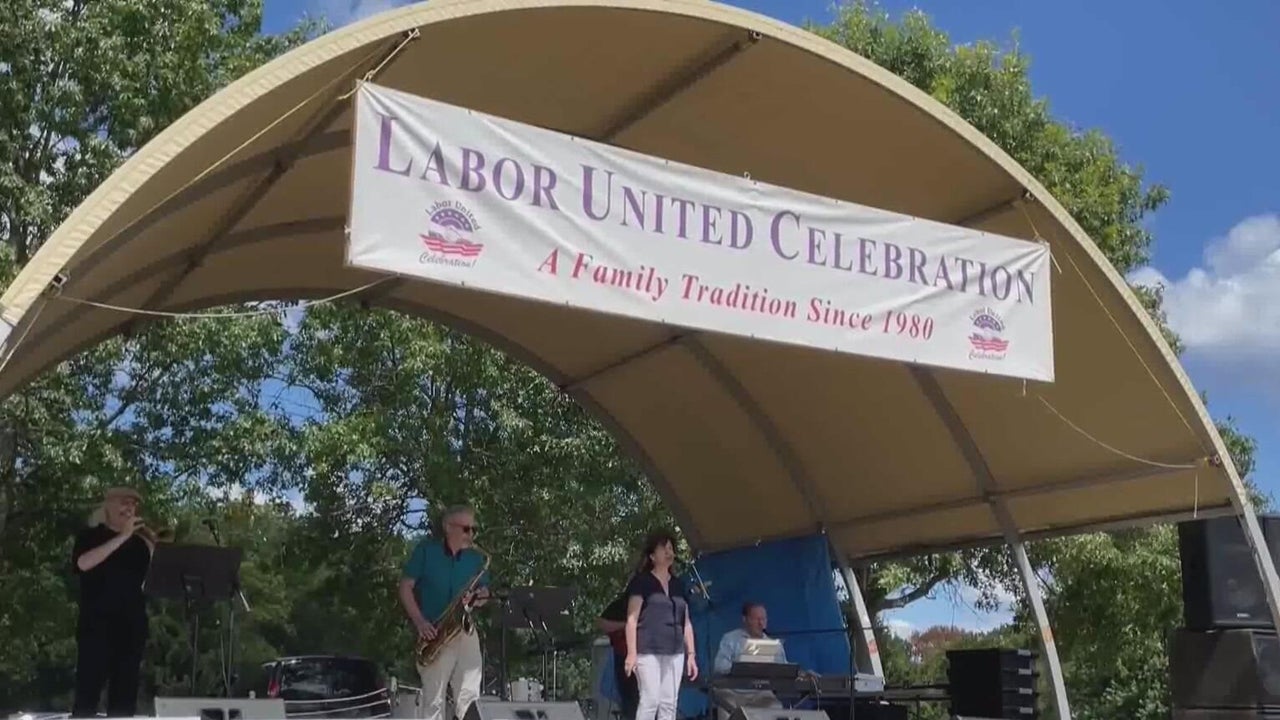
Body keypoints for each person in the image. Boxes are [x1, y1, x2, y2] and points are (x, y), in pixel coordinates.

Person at [399, 504, 492, 720]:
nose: (471, 534)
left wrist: (479, 597)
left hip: (465, 631)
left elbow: (485, 593)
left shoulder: (475, 558)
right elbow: (405, 587)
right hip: (435, 632)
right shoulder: (426, 551)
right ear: (448, 527)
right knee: (434, 700)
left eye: (474, 529)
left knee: (470, 696)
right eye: (466, 529)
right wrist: (420, 622)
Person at [70, 487, 155, 718]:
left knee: (124, 701)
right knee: (87, 697)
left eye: (133, 505)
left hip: (131, 627)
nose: (129, 509)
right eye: (124, 503)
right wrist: (122, 537)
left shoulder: (140, 545)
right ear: (108, 505)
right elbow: (83, 564)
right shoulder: (89, 536)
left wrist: (152, 547)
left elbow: (151, 581)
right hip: (96, 627)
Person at [624, 530, 697, 720]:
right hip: (648, 650)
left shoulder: (679, 585)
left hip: (675, 651)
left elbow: (686, 622)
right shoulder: (641, 582)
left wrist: (691, 654)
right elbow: (631, 620)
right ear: (652, 556)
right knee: (650, 700)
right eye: (663, 548)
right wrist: (631, 653)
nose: (668, 552)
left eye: (671, 548)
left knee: (669, 702)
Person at [711, 602, 787, 720]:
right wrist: (740, 668)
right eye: (757, 619)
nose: (761, 623)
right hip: (733, 691)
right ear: (745, 620)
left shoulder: (774, 644)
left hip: (760, 692)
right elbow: (719, 666)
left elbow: (784, 669)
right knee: (725, 701)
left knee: (775, 705)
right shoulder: (730, 639)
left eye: (763, 619)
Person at [598, 589, 639, 720]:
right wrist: (626, 625)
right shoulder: (622, 604)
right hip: (624, 657)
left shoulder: (655, 605)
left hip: (648, 657)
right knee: (630, 702)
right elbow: (602, 623)